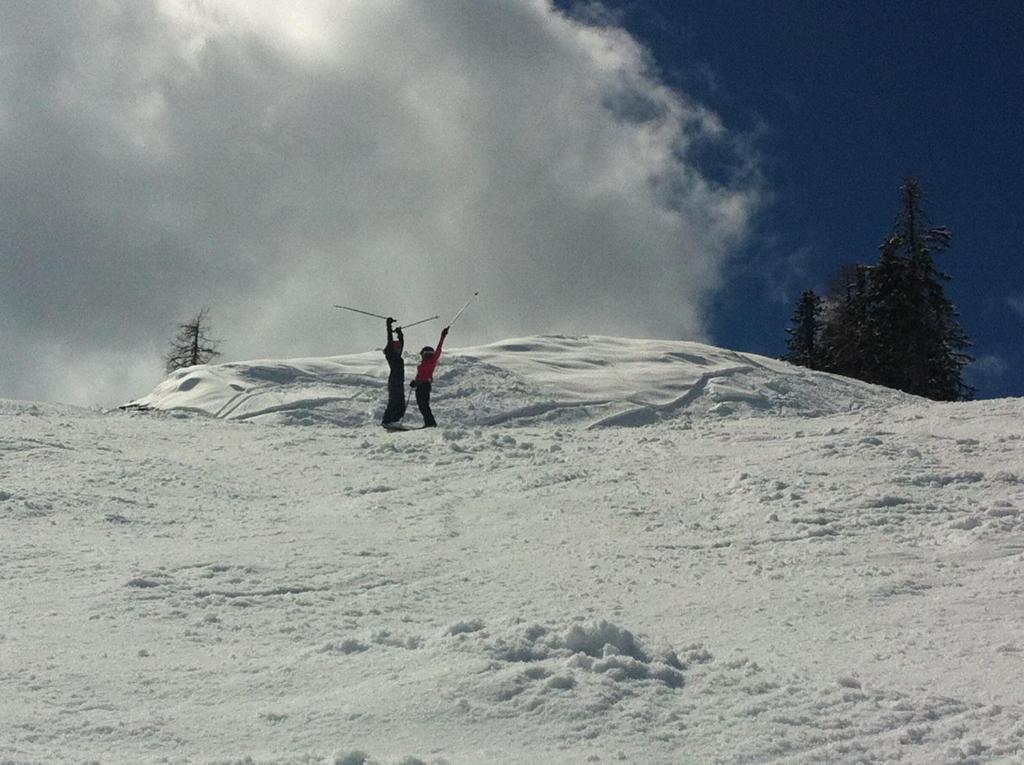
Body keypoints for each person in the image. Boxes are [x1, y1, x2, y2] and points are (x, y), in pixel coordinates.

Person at [409, 326, 449, 427]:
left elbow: (439, 349)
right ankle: (429, 423)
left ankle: (431, 423)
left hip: (425, 385)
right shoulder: (423, 363)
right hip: (420, 385)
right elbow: (420, 375)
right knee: (422, 405)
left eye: (425, 353)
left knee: (424, 405)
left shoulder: (432, 360)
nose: (424, 355)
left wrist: (442, 337)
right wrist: (415, 382)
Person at [381, 317, 405, 426]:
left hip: (399, 382)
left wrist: (400, 334)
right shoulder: (391, 355)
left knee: (401, 404)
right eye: (397, 347)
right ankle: (386, 421)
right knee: (393, 401)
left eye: (399, 347)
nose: (399, 348)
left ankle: (393, 421)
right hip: (394, 381)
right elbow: (389, 340)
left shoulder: (398, 354)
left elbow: (402, 343)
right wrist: (389, 326)